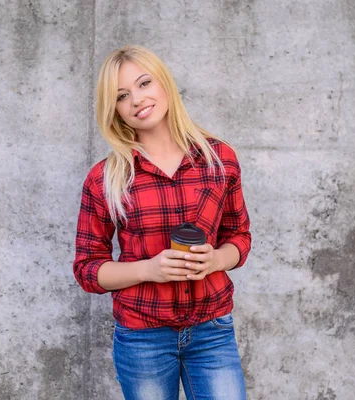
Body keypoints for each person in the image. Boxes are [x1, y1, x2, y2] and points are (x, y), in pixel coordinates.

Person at [73, 45, 251, 400]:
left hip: (212, 330)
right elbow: (88, 270)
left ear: (164, 84)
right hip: (142, 338)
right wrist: (149, 269)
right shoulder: (105, 178)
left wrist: (216, 259)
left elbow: (239, 237)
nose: (137, 100)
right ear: (116, 111)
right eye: (122, 96)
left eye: (144, 83)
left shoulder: (219, 160)